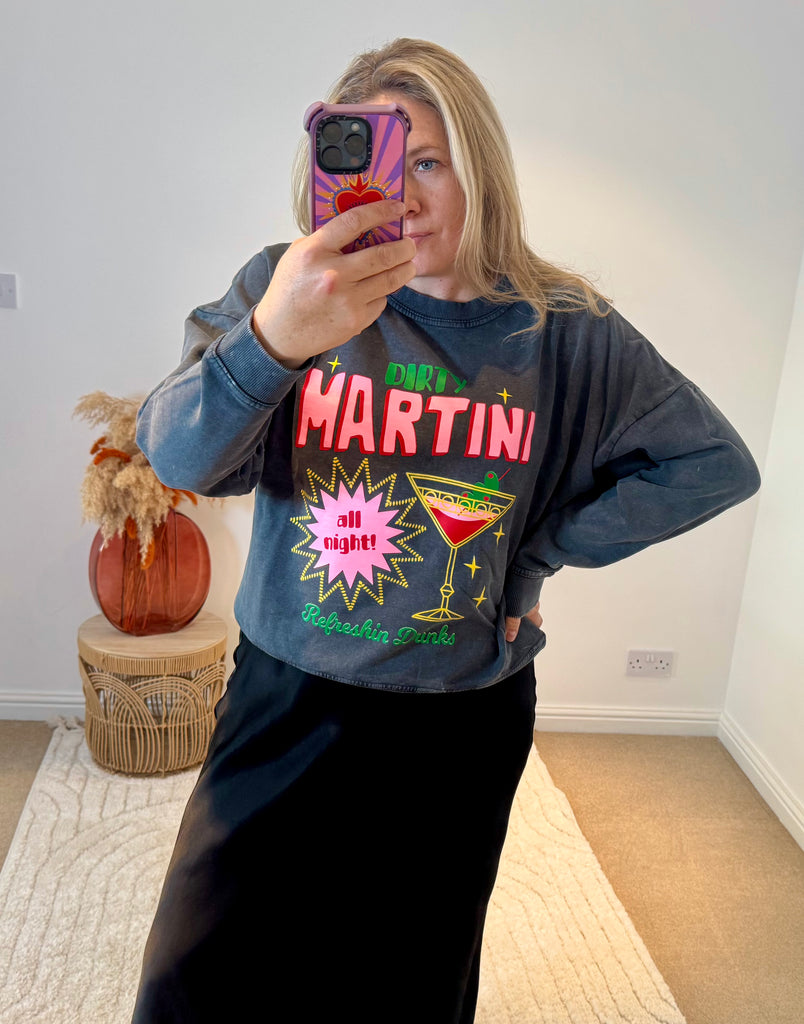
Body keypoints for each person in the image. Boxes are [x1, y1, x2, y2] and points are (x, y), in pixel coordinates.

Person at [131, 37, 759, 1024]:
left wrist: (535, 555)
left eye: (428, 161)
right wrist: (274, 340)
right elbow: (175, 457)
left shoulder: (565, 330)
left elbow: (712, 462)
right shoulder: (288, 287)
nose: (406, 198)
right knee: (194, 987)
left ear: (478, 166)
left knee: (407, 989)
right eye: (380, 163)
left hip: (456, 723)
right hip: (286, 694)